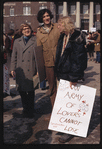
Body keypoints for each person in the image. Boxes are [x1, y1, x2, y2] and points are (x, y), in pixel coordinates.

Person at [55, 16, 87, 143]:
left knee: (72, 106)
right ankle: (65, 127)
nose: (58, 27)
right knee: (64, 104)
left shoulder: (77, 37)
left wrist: (74, 77)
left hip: (70, 76)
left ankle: (70, 131)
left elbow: (79, 61)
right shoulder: (63, 36)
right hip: (63, 75)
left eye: (60, 24)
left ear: (66, 25)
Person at [36, 9, 60, 119]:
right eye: (44, 16)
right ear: (41, 19)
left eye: (48, 15)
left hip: (60, 62)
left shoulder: (57, 27)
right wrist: (40, 70)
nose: (46, 18)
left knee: (63, 86)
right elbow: (39, 52)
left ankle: (64, 109)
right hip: (48, 64)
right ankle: (55, 110)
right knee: (52, 88)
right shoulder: (39, 33)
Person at [10, 23, 37, 118]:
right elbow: (14, 56)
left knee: (30, 91)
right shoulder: (17, 41)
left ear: (31, 29)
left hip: (31, 68)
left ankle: (30, 110)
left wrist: (38, 70)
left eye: (28, 28)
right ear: (21, 31)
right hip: (20, 69)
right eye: (24, 29)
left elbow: (38, 56)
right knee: (21, 91)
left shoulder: (36, 40)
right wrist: (12, 68)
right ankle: (25, 108)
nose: (26, 30)